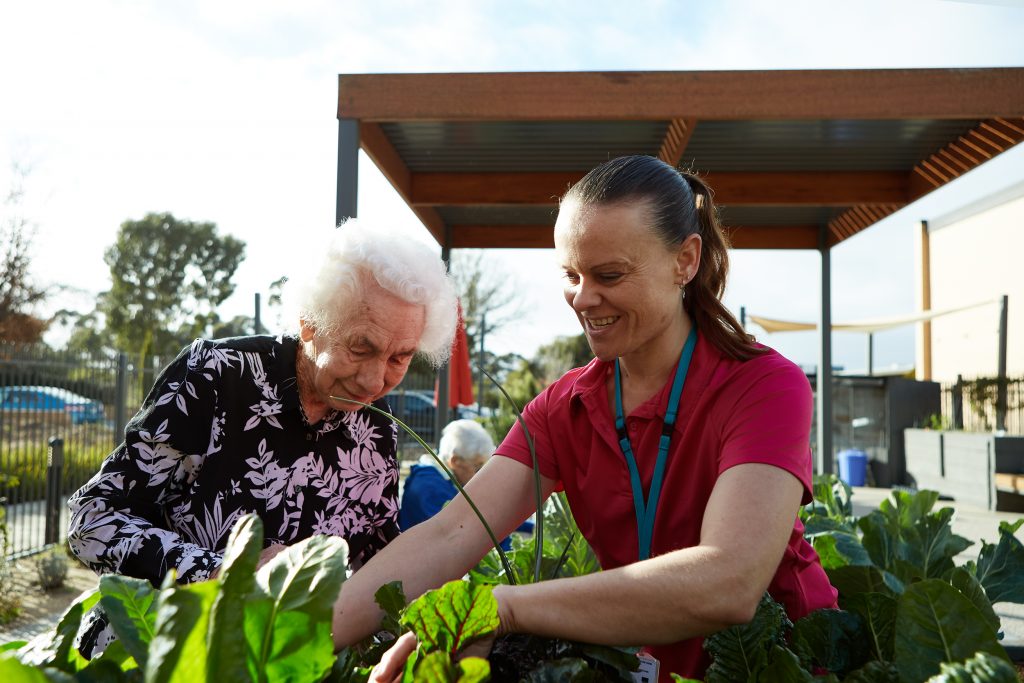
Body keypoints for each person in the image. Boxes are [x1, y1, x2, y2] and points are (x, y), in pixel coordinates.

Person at [331, 155, 838, 682]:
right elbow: (446, 535)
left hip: (780, 667)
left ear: (685, 260)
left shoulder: (763, 385)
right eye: (570, 274)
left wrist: (505, 608)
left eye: (609, 274)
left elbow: (728, 580)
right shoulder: (563, 406)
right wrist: (286, 632)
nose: (583, 298)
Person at [66, 218, 457, 657]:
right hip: (155, 650)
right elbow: (93, 518)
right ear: (310, 325)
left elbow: (376, 564)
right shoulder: (216, 378)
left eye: (399, 358)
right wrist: (227, 574)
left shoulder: (379, 429)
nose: (373, 380)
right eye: (360, 348)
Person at [398, 419, 533, 550]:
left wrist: (531, 527)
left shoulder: (445, 480)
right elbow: (464, 539)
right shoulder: (430, 490)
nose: (482, 474)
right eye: (478, 467)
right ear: (455, 461)